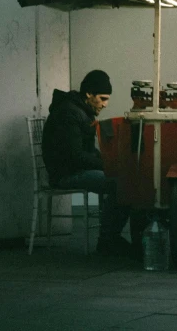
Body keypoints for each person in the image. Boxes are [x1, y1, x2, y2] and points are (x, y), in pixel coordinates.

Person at [42, 69, 132, 256]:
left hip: (72, 170)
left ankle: (110, 239)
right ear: (89, 94)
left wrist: (109, 161)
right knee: (120, 185)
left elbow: (86, 153)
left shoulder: (80, 111)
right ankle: (108, 240)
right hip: (66, 175)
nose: (106, 104)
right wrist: (109, 165)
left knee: (122, 181)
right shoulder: (69, 113)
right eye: (103, 98)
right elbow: (75, 156)